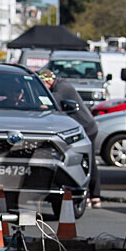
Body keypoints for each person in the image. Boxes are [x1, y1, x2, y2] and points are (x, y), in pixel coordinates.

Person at [39, 69, 101, 208]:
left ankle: (94, 195)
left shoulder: (62, 87)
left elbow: (50, 103)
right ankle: (92, 194)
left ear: (48, 80)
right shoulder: (58, 85)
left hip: (86, 128)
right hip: (77, 128)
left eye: (43, 84)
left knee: (87, 161)